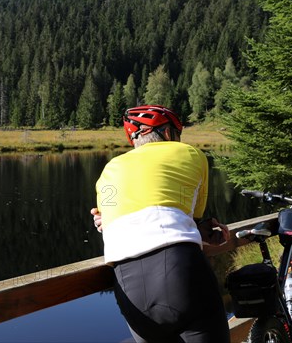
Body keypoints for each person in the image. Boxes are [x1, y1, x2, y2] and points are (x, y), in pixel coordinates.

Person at [91, 105, 230, 343]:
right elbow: (193, 214)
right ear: (168, 134)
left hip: (128, 288)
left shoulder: (109, 170)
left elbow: (105, 218)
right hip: (180, 271)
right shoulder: (189, 153)